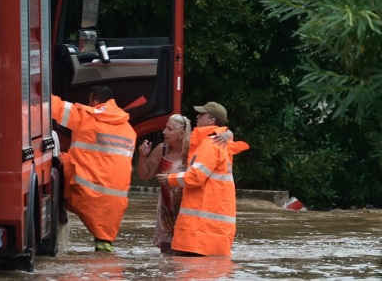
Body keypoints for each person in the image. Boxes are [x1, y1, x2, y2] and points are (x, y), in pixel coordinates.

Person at [156, 101, 249, 257]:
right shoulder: (217, 142)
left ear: (211, 120)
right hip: (211, 233)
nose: (197, 116)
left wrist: (169, 179)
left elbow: (196, 177)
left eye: (202, 114)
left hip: (199, 234)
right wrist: (228, 133)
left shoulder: (210, 143)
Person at [52, 85, 136, 252]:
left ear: (94, 101)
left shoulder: (87, 117)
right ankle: (103, 254)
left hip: (87, 191)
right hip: (116, 200)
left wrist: (34, 91)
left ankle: (59, 208)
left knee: (61, 160)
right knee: (103, 241)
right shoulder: (129, 129)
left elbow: (56, 107)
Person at [138, 114, 233, 253]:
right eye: (165, 128)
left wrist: (228, 133)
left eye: (169, 129)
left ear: (181, 134)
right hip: (166, 205)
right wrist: (142, 156)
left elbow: (218, 136)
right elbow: (144, 175)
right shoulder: (162, 149)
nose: (164, 132)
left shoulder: (194, 149)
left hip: (187, 207)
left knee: (183, 247)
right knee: (166, 247)